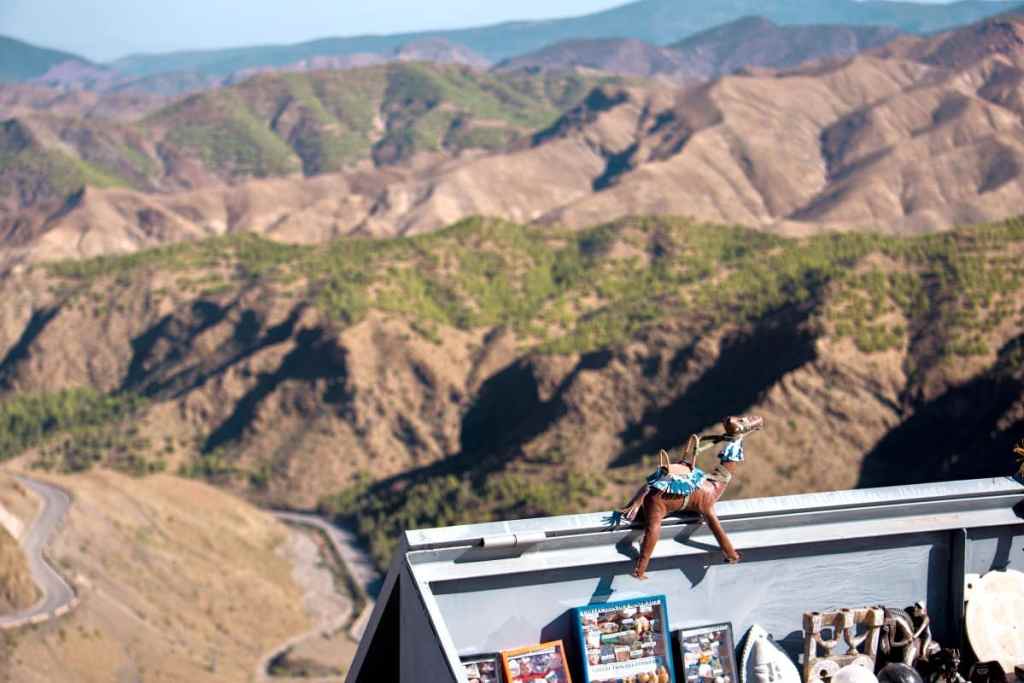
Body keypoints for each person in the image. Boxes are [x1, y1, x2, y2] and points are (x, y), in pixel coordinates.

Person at [620, 416, 762, 579]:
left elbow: (649, 486)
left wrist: (638, 501)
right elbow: (716, 528)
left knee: (653, 527)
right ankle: (640, 569)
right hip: (658, 502)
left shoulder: (704, 488)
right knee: (653, 529)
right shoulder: (707, 495)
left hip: (656, 498)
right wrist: (731, 553)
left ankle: (640, 568)